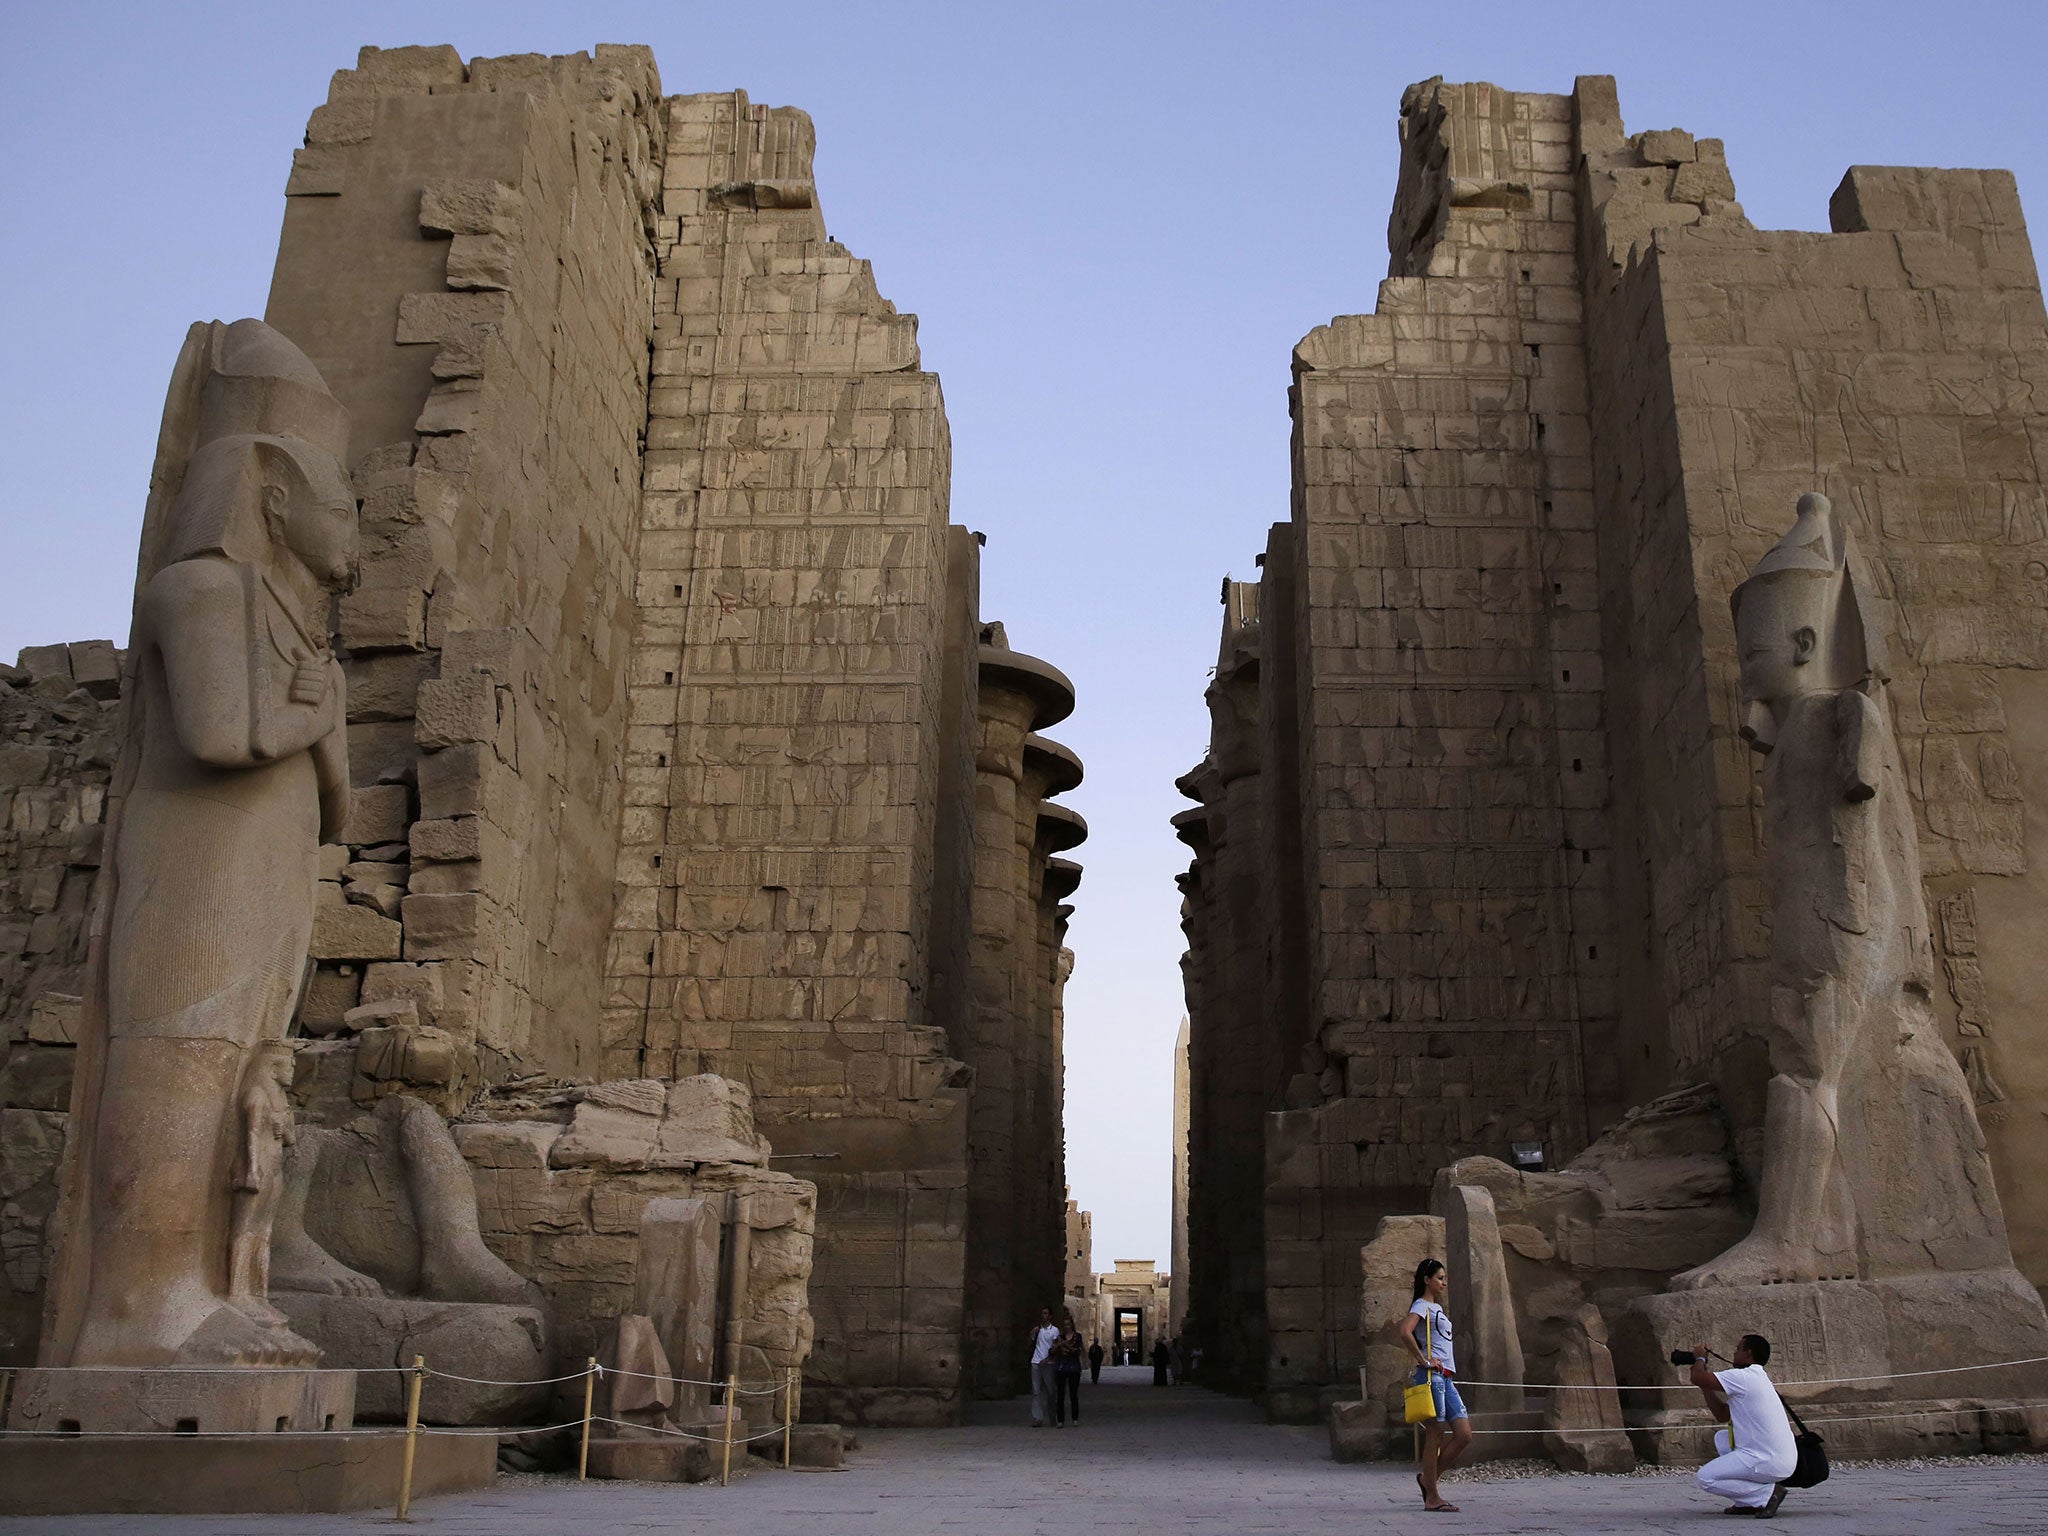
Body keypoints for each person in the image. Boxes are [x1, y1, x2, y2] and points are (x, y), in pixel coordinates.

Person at [1690, 1334, 1797, 1517]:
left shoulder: (1744, 1377)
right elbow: (1722, 1415)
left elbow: (1697, 1377)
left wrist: (1700, 1358)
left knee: (1705, 1478)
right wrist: (1706, 1386)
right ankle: (1746, 1501)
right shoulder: (1755, 1378)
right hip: (1778, 1458)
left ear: (1748, 1354)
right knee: (1722, 1438)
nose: (1734, 1352)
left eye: (1738, 1349)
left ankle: (1767, 1494)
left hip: (1766, 1459)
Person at [1399, 1257, 1473, 1513]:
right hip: (1432, 1377)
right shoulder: (1421, 1306)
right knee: (1436, 1434)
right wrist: (1423, 1360)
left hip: (1446, 1378)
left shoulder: (1435, 1308)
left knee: (1464, 1434)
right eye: (1439, 1278)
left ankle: (1427, 1481)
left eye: (1444, 1278)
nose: (1443, 1282)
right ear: (1426, 1280)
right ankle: (1432, 1496)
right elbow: (1404, 1331)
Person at [1028, 1307, 1060, 1427]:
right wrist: (1032, 1334)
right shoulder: (1038, 1330)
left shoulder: (1054, 1330)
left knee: (1051, 1391)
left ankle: (1052, 1417)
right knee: (1036, 1391)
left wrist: (1048, 1360)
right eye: (1042, 1313)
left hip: (1048, 1363)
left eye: (1045, 1313)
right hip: (1035, 1361)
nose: (1043, 1315)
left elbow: (1055, 1348)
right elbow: (1029, 1343)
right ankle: (1037, 1418)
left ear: (1050, 1316)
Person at [1052, 1311, 1084, 1425]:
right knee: (1060, 1394)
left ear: (1072, 1325)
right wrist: (1058, 1346)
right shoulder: (1059, 1337)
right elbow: (1052, 1351)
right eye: (1064, 1324)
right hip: (1061, 1367)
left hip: (1073, 1367)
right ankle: (1060, 1420)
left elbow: (1076, 1351)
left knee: (1073, 1394)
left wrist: (1064, 1345)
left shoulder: (1077, 1337)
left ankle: (1075, 1418)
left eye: (1068, 1324)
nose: (1066, 1326)